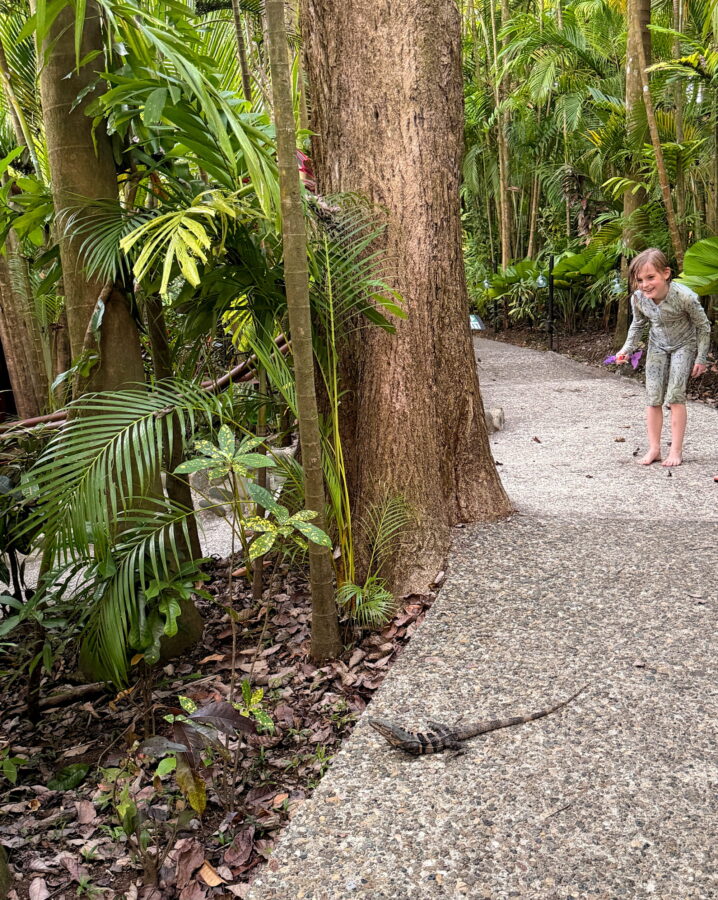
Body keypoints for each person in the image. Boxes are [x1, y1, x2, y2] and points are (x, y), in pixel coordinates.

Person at [616, 248, 710, 467]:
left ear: (665, 273)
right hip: (657, 344)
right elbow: (638, 324)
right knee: (653, 396)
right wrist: (625, 350)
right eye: (640, 280)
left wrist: (701, 358)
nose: (645, 284)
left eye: (651, 277)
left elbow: (703, 326)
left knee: (675, 395)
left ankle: (675, 450)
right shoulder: (639, 298)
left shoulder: (684, 296)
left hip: (683, 345)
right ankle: (654, 449)